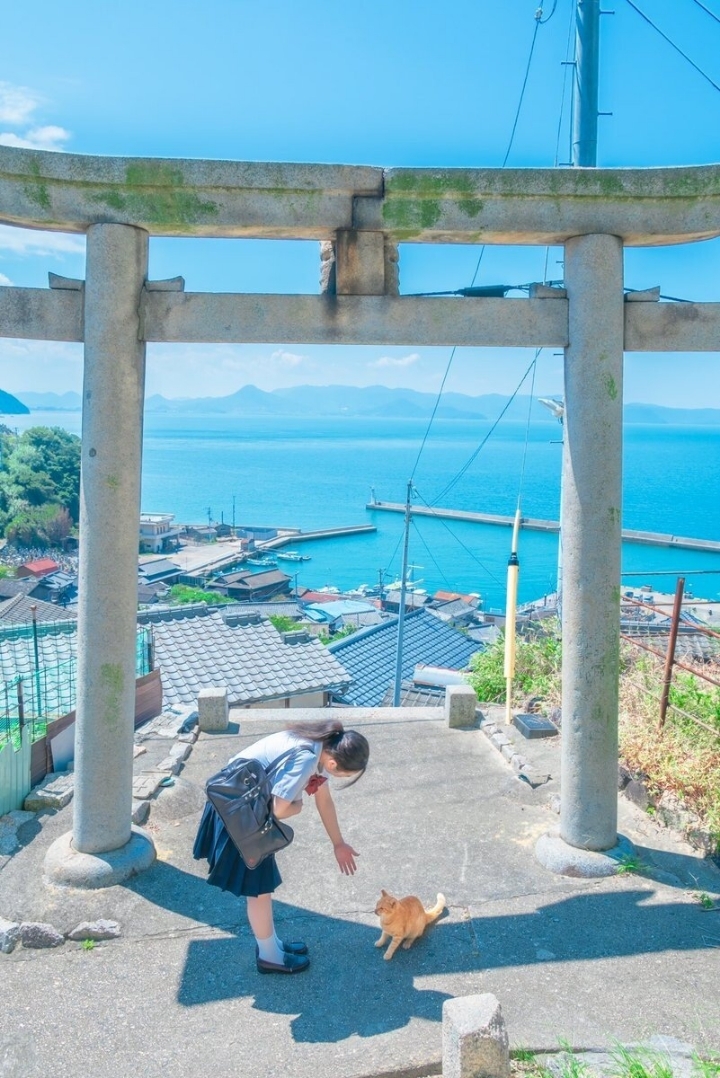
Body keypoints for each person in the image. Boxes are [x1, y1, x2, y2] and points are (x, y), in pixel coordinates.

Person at [193, 718, 369, 975]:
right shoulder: (307, 760)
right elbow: (281, 809)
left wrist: (338, 843)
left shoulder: (317, 742)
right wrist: (299, 804)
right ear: (333, 764)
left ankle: (272, 945)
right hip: (238, 816)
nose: (340, 777)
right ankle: (270, 956)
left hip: (236, 805)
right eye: (345, 774)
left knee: (261, 889)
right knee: (259, 891)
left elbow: (324, 800)